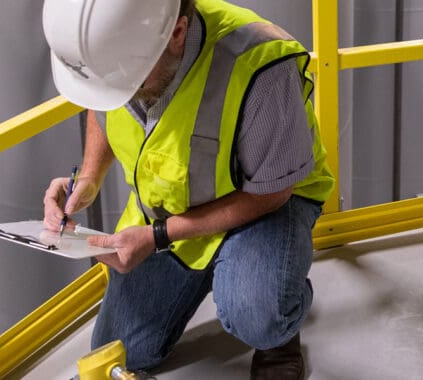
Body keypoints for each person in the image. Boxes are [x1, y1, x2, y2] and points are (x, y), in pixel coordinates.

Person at [42, 0, 335, 379]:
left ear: (177, 34)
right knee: (123, 351)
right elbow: (105, 103)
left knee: (258, 311)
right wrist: (87, 181)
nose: (122, 93)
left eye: (127, 83)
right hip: (173, 205)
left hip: (265, 204)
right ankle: (234, 274)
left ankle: (278, 326)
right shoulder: (127, 52)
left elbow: (271, 193)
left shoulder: (260, 65)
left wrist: (157, 236)